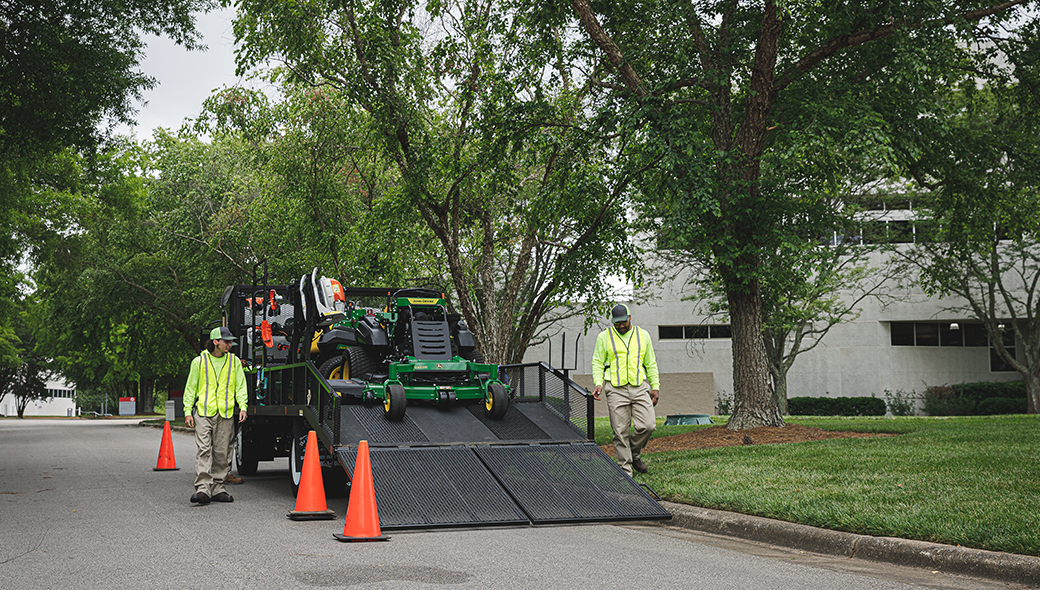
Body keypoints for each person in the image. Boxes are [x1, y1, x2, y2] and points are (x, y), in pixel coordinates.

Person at [591, 304, 660, 476]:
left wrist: (655, 386)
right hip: (615, 389)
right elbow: (598, 362)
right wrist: (598, 383)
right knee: (620, 431)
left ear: (630, 318)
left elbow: (650, 363)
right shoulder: (604, 337)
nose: (621, 326)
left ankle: (634, 454)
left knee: (648, 425)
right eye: (617, 323)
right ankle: (625, 471)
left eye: (623, 322)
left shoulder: (643, 335)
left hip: (639, 386)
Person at [183, 326, 248, 504]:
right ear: (215, 342)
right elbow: (191, 388)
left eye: (230, 342)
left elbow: (240, 386)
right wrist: (187, 411)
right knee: (204, 449)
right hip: (203, 412)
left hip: (225, 413)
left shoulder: (234, 362)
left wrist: (243, 407)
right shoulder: (199, 362)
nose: (229, 345)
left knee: (222, 452)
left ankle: (218, 488)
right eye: (226, 341)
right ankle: (203, 489)